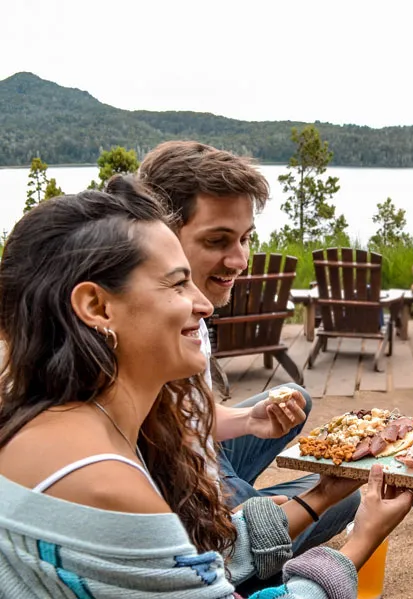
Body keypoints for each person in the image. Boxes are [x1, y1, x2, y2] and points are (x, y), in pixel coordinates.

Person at [0, 185, 413, 597]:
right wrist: (358, 544)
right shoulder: (107, 486)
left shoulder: (45, 425)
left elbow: (185, 564)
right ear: (97, 306)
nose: (205, 306)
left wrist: (322, 495)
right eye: (178, 284)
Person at [137, 143, 358, 583]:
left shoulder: (194, 314)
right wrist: (249, 511)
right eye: (217, 240)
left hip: (201, 453)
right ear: (159, 236)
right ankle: (252, 532)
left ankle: (244, 496)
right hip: (181, 485)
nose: (239, 260)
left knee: (293, 396)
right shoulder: (138, 333)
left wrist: (249, 421)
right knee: (343, 499)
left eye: (245, 238)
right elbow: (161, 457)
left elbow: (189, 415)